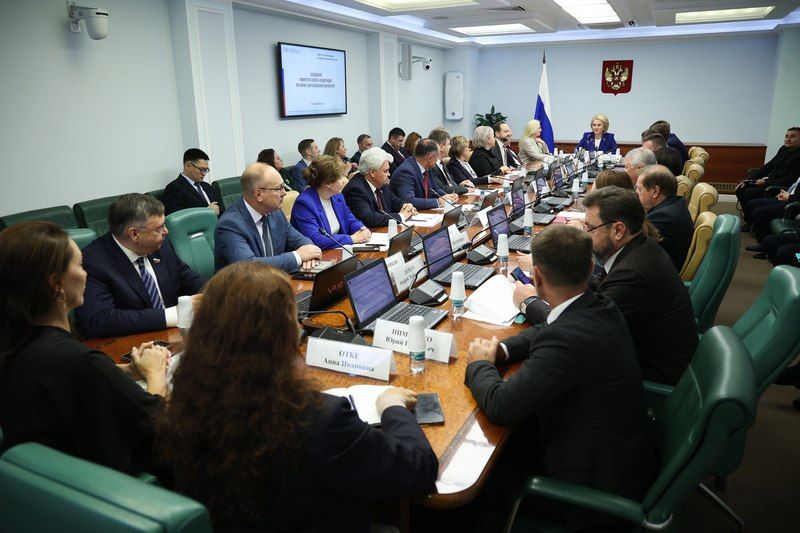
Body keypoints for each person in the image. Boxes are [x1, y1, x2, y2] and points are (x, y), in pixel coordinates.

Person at [158, 262, 438, 531]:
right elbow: (419, 470)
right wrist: (392, 406)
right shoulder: (318, 418)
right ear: (283, 334)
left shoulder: (186, 401)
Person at [464, 225, 654, 530]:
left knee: (478, 484)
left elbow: (501, 405)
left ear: (537, 277)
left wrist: (479, 363)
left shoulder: (567, 341)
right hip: (620, 453)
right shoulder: (600, 304)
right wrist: (501, 350)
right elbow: (550, 327)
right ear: (590, 268)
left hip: (589, 488)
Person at [0, 221, 169, 475]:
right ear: (56, 284)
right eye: (80, 265)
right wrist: (155, 371)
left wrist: (127, 371)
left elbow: (64, 380)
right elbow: (154, 421)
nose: (86, 273)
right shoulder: (80, 360)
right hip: (117, 479)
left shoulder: (16, 342)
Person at [514, 187, 698, 386]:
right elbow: (596, 288)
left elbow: (576, 330)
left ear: (618, 230)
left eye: (590, 228)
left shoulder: (633, 275)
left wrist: (529, 302)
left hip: (649, 376)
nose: (585, 236)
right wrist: (556, 278)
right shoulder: (640, 248)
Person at [74, 194, 206, 338]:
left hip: (171, 336)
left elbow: (185, 275)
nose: (166, 231)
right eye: (160, 227)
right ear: (134, 234)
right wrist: (175, 314)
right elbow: (102, 320)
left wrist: (213, 293)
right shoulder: (92, 262)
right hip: (124, 343)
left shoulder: (161, 245)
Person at [214, 162, 322, 273]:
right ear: (258, 194)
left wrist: (310, 253)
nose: (284, 193)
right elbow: (248, 267)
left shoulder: (275, 213)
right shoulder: (230, 224)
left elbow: (299, 240)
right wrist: (298, 257)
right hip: (243, 283)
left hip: (274, 279)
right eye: (279, 188)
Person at [290, 156, 371, 248]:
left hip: (338, 249)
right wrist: (351, 239)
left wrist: (361, 229)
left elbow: (350, 220)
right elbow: (315, 239)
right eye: (340, 178)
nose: (343, 181)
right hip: (319, 253)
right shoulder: (304, 204)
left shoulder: (337, 196)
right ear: (328, 183)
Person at [736, 127, 800, 230]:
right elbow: (769, 166)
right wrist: (749, 180)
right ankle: (749, 219)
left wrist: (765, 182)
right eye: (786, 136)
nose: (788, 139)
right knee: (741, 187)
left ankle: (753, 223)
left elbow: (789, 181)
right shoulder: (783, 149)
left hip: (779, 187)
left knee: (748, 192)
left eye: (793, 137)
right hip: (769, 181)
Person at [636, 165, 694, 271]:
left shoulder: (663, 217)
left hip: (658, 275)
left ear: (655, 191)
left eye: (639, 189)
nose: (636, 193)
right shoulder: (674, 205)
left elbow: (634, 249)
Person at [342, 147, 416, 228]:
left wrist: (407, 208)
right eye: (385, 171)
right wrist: (401, 216)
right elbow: (369, 218)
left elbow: (396, 203)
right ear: (372, 172)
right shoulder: (355, 189)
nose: (389, 174)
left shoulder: (381, 184)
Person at [391, 139, 458, 210]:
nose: (437, 160)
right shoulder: (405, 172)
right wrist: (438, 202)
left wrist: (447, 196)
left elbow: (435, 188)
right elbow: (409, 201)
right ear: (430, 158)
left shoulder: (426, 166)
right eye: (437, 157)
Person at [742, 174, 800, 246]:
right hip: (788, 198)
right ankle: (764, 243)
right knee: (753, 205)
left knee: (759, 213)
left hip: (793, 206)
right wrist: (785, 194)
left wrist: (789, 197)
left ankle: (763, 245)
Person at [163, 148, 220, 216]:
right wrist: (207, 211)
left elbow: (219, 210)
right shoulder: (174, 188)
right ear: (188, 166)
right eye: (201, 169)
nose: (204, 173)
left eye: (206, 170)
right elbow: (177, 218)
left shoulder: (207, 186)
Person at [428, 129, 471, 195]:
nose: (450, 147)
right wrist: (465, 189)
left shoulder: (442, 164)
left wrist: (460, 185)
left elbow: (450, 183)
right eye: (448, 144)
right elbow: (443, 189)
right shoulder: (431, 167)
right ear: (441, 147)